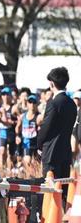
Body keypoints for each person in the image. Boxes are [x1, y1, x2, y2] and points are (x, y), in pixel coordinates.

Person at [37, 67, 77, 201]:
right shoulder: (72, 104)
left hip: (51, 152)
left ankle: (50, 221)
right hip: (65, 151)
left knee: (50, 190)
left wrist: (39, 144)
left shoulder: (54, 103)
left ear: (52, 84)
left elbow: (46, 128)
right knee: (63, 190)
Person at [17, 94, 39, 167]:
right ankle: (26, 175)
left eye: (34, 102)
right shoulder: (23, 116)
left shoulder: (38, 116)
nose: (32, 104)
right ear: (27, 104)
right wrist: (17, 136)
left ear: (36, 104)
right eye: (30, 102)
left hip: (36, 142)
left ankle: (31, 177)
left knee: (35, 163)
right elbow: (18, 127)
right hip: (26, 142)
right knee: (27, 161)